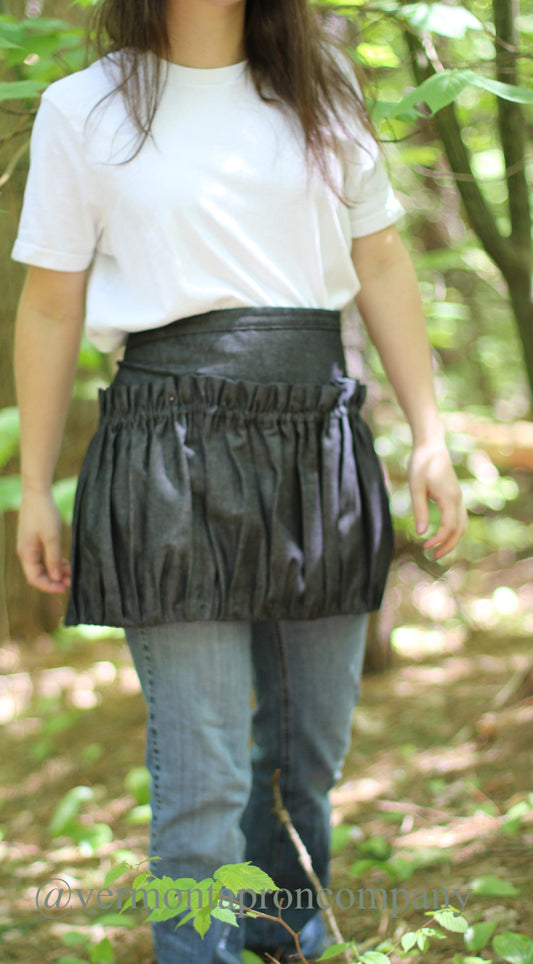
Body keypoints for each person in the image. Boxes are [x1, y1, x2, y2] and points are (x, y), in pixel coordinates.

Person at [12, 0, 467, 961]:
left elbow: (380, 259)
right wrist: (39, 485)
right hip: (166, 446)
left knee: (306, 759)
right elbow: (51, 306)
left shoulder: (320, 90)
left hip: (317, 439)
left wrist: (430, 435)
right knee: (205, 775)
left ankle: (280, 935)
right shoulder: (81, 107)